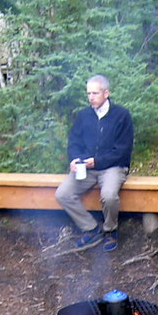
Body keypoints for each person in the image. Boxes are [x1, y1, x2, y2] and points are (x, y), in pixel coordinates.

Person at [55, 74, 135, 252]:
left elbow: (123, 150)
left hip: (113, 167)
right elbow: (74, 142)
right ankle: (91, 228)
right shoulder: (84, 116)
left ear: (106, 93)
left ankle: (110, 230)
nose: (91, 97)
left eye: (95, 93)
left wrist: (97, 161)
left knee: (108, 195)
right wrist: (75, 159)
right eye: (89, 94)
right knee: (63, 194)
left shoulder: (121, 115)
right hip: (87, 168)